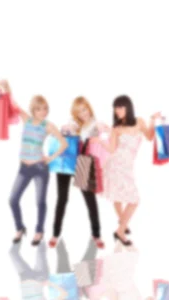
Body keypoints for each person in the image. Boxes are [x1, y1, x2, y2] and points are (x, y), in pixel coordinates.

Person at [0, 80, 67, 246]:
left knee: (40, 201)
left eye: (45, 108)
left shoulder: (48, 126)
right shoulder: (26, 119)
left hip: (39, 167)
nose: (43, 112)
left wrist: (49, 158)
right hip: (24, 167)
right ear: (33, 109)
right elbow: (13, 104)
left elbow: (64, 143)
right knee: (13, 199)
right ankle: (20, 228)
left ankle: (39, 231)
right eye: (40, 108)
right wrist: (6, 88)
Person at [92, 95, 160, 246]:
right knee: (126, 197)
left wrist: (153, 120)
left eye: (121, 107)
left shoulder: (139, 122)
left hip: (127, 166)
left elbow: (149, 136)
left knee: (130, 198)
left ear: (128, 107)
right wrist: (101, 141)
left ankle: (121, 224)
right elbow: (111, 149)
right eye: (116, 108)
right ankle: (121, 230)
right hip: (115, 165)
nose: (118, 111)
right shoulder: (116, 128)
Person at [49, 97, 107, 249]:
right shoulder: (74, 123)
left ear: (89, 107)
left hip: (82, 161)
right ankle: (55, 234)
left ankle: (96, 234)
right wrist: (65, 129)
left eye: (84, 109)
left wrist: (101, 128)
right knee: (62, 198)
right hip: (66, 160)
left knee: (89, 198)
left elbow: (101, 132)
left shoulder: (95, 124)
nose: (83, 113)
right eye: (79, 111)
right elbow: (66, 128)